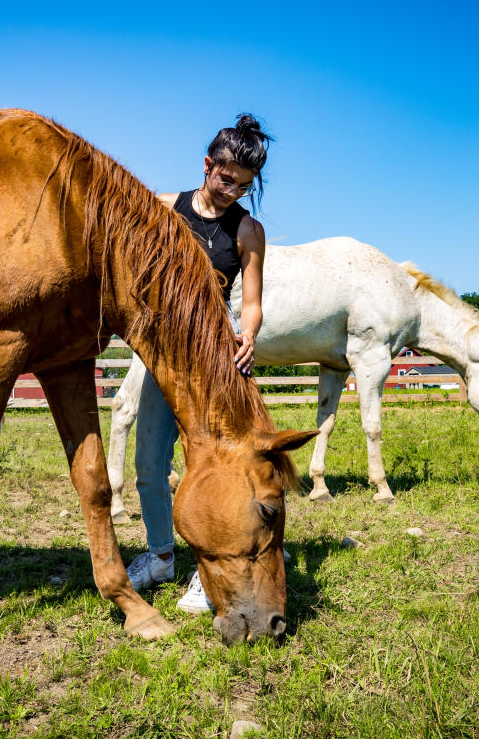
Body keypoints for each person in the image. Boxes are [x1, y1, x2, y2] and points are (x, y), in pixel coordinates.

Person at [126, 114, 271, 613]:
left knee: (216, 469)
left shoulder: (249, 231)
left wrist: (248, 332)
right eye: (226, 177)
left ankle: (204, 565)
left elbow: (250, 300)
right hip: (164, 359)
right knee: (148, 463)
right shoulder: (165, 208)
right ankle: (161, 554)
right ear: (208, 164)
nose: (233, 190)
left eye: (244, 186)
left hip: (217, 364)